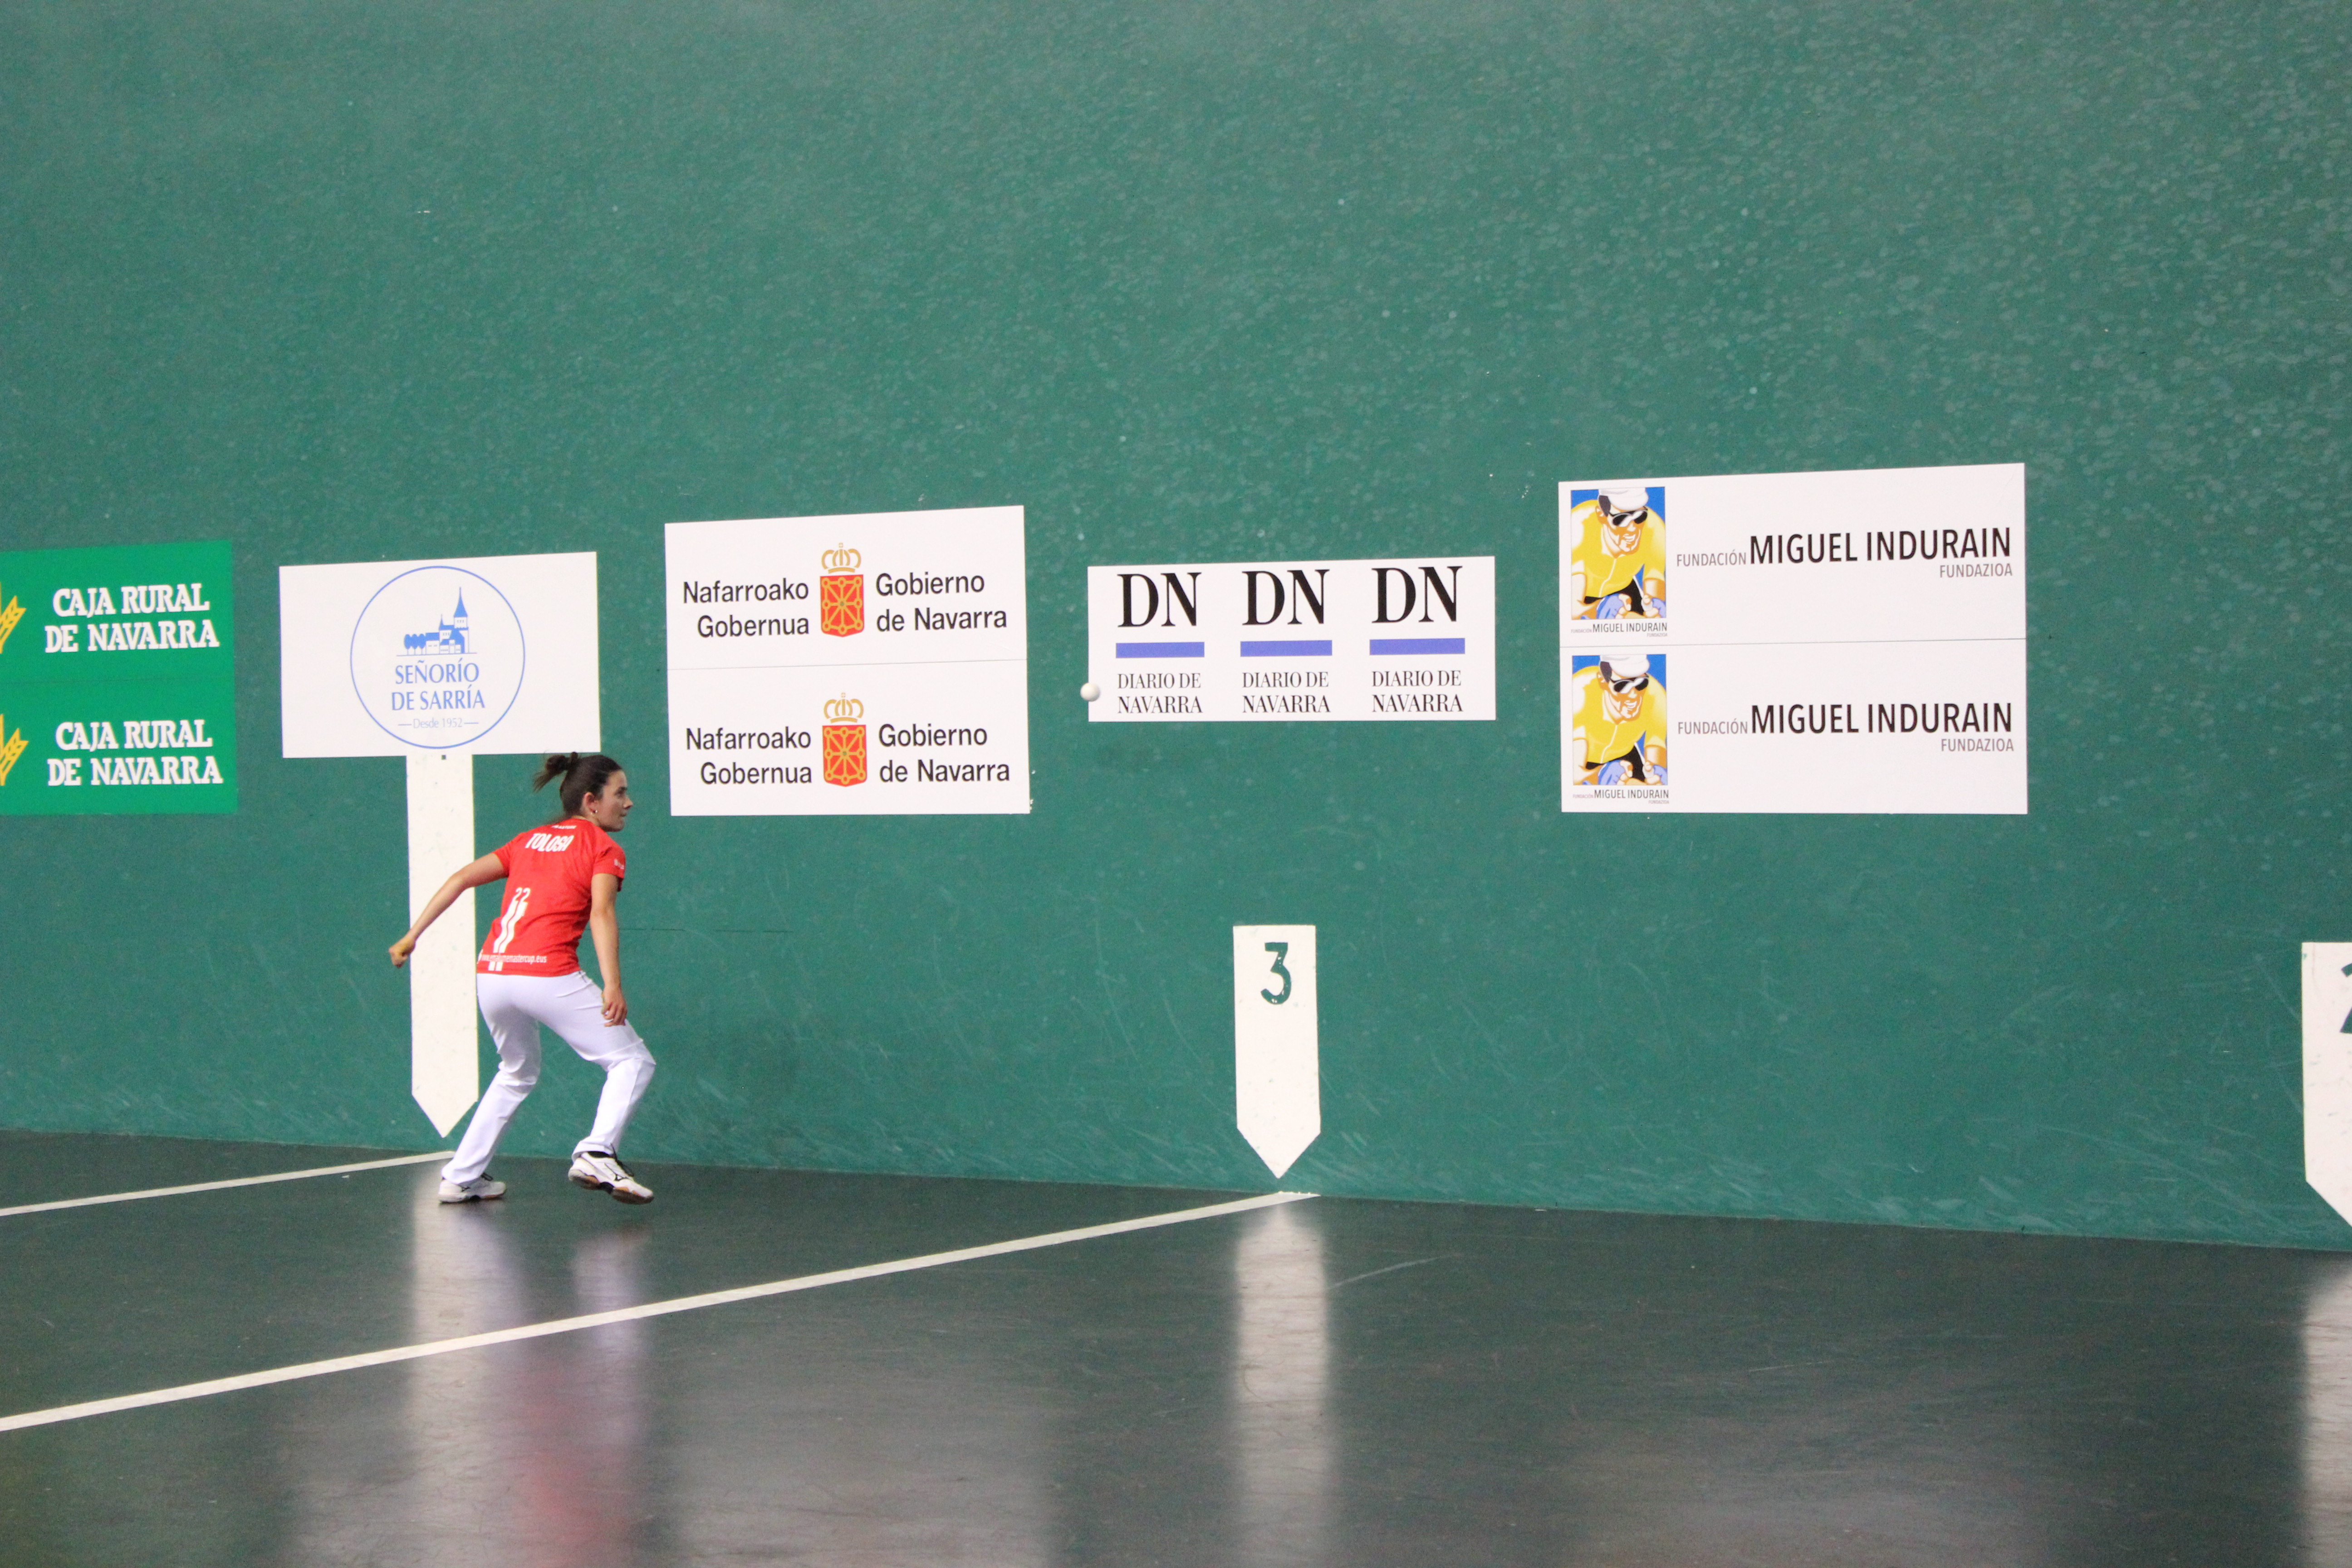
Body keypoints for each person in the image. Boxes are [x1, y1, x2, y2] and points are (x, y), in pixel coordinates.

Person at [391, 751, 657, 1205]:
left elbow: (460, 878)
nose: (629, 803)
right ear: (592, 802)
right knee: (633, 1061)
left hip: (493, 974)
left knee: (516, 1071)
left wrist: (412, 935)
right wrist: (612, 983)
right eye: (620, 793)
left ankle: (460, 1176)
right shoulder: (603, 847)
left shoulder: (530, 840)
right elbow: (602, 912)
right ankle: (597, 1150)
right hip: (546, 974)